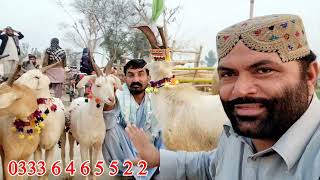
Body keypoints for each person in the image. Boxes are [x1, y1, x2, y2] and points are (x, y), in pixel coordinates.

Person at [125, 14, 320, 180]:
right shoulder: (235, 136)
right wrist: (158, 158)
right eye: (228, 74)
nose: (241, 90)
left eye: (264, 70)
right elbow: (211, 165)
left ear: (310, 75)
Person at [102, 59, 163, 180]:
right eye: (131, 75)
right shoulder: (118, 95)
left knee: (166, 128)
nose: (136, 80)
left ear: (148, 77)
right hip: (126, 147)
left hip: (150, 148)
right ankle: (127, 172)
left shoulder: (156, 96)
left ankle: (157, 167)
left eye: (141, 74)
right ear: (125, 78)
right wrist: (110, 98)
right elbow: (108, 121)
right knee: (110, 130)